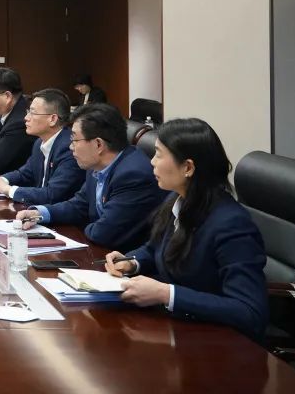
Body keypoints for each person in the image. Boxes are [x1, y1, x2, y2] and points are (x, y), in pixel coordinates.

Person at [104, 118, 268, 341]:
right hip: (176, 327)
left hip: (215, 342)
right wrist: (132, 262)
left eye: (159, 154)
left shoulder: (232, 224)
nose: (152, 162)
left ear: (188, 167)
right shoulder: (177, 199)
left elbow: (249, 312)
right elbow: (155, 248)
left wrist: (166, 294)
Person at [17, 103, 166, 251]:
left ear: (98, 144)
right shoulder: (97, 165)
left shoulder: (133, 176)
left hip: (124, 259)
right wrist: (40, 213)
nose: (70, 147)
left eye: (75, 140)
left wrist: (80, 227)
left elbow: (103, 233)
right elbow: (79, 205)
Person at [0, 88, 84, 204]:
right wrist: (2, 180)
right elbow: (25, 174)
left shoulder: (69, 148)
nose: (26, 118)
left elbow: (52, 194)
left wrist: (8, 189)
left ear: (52, 119)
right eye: (28, 112)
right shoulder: (39, 143)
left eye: (33, 112)